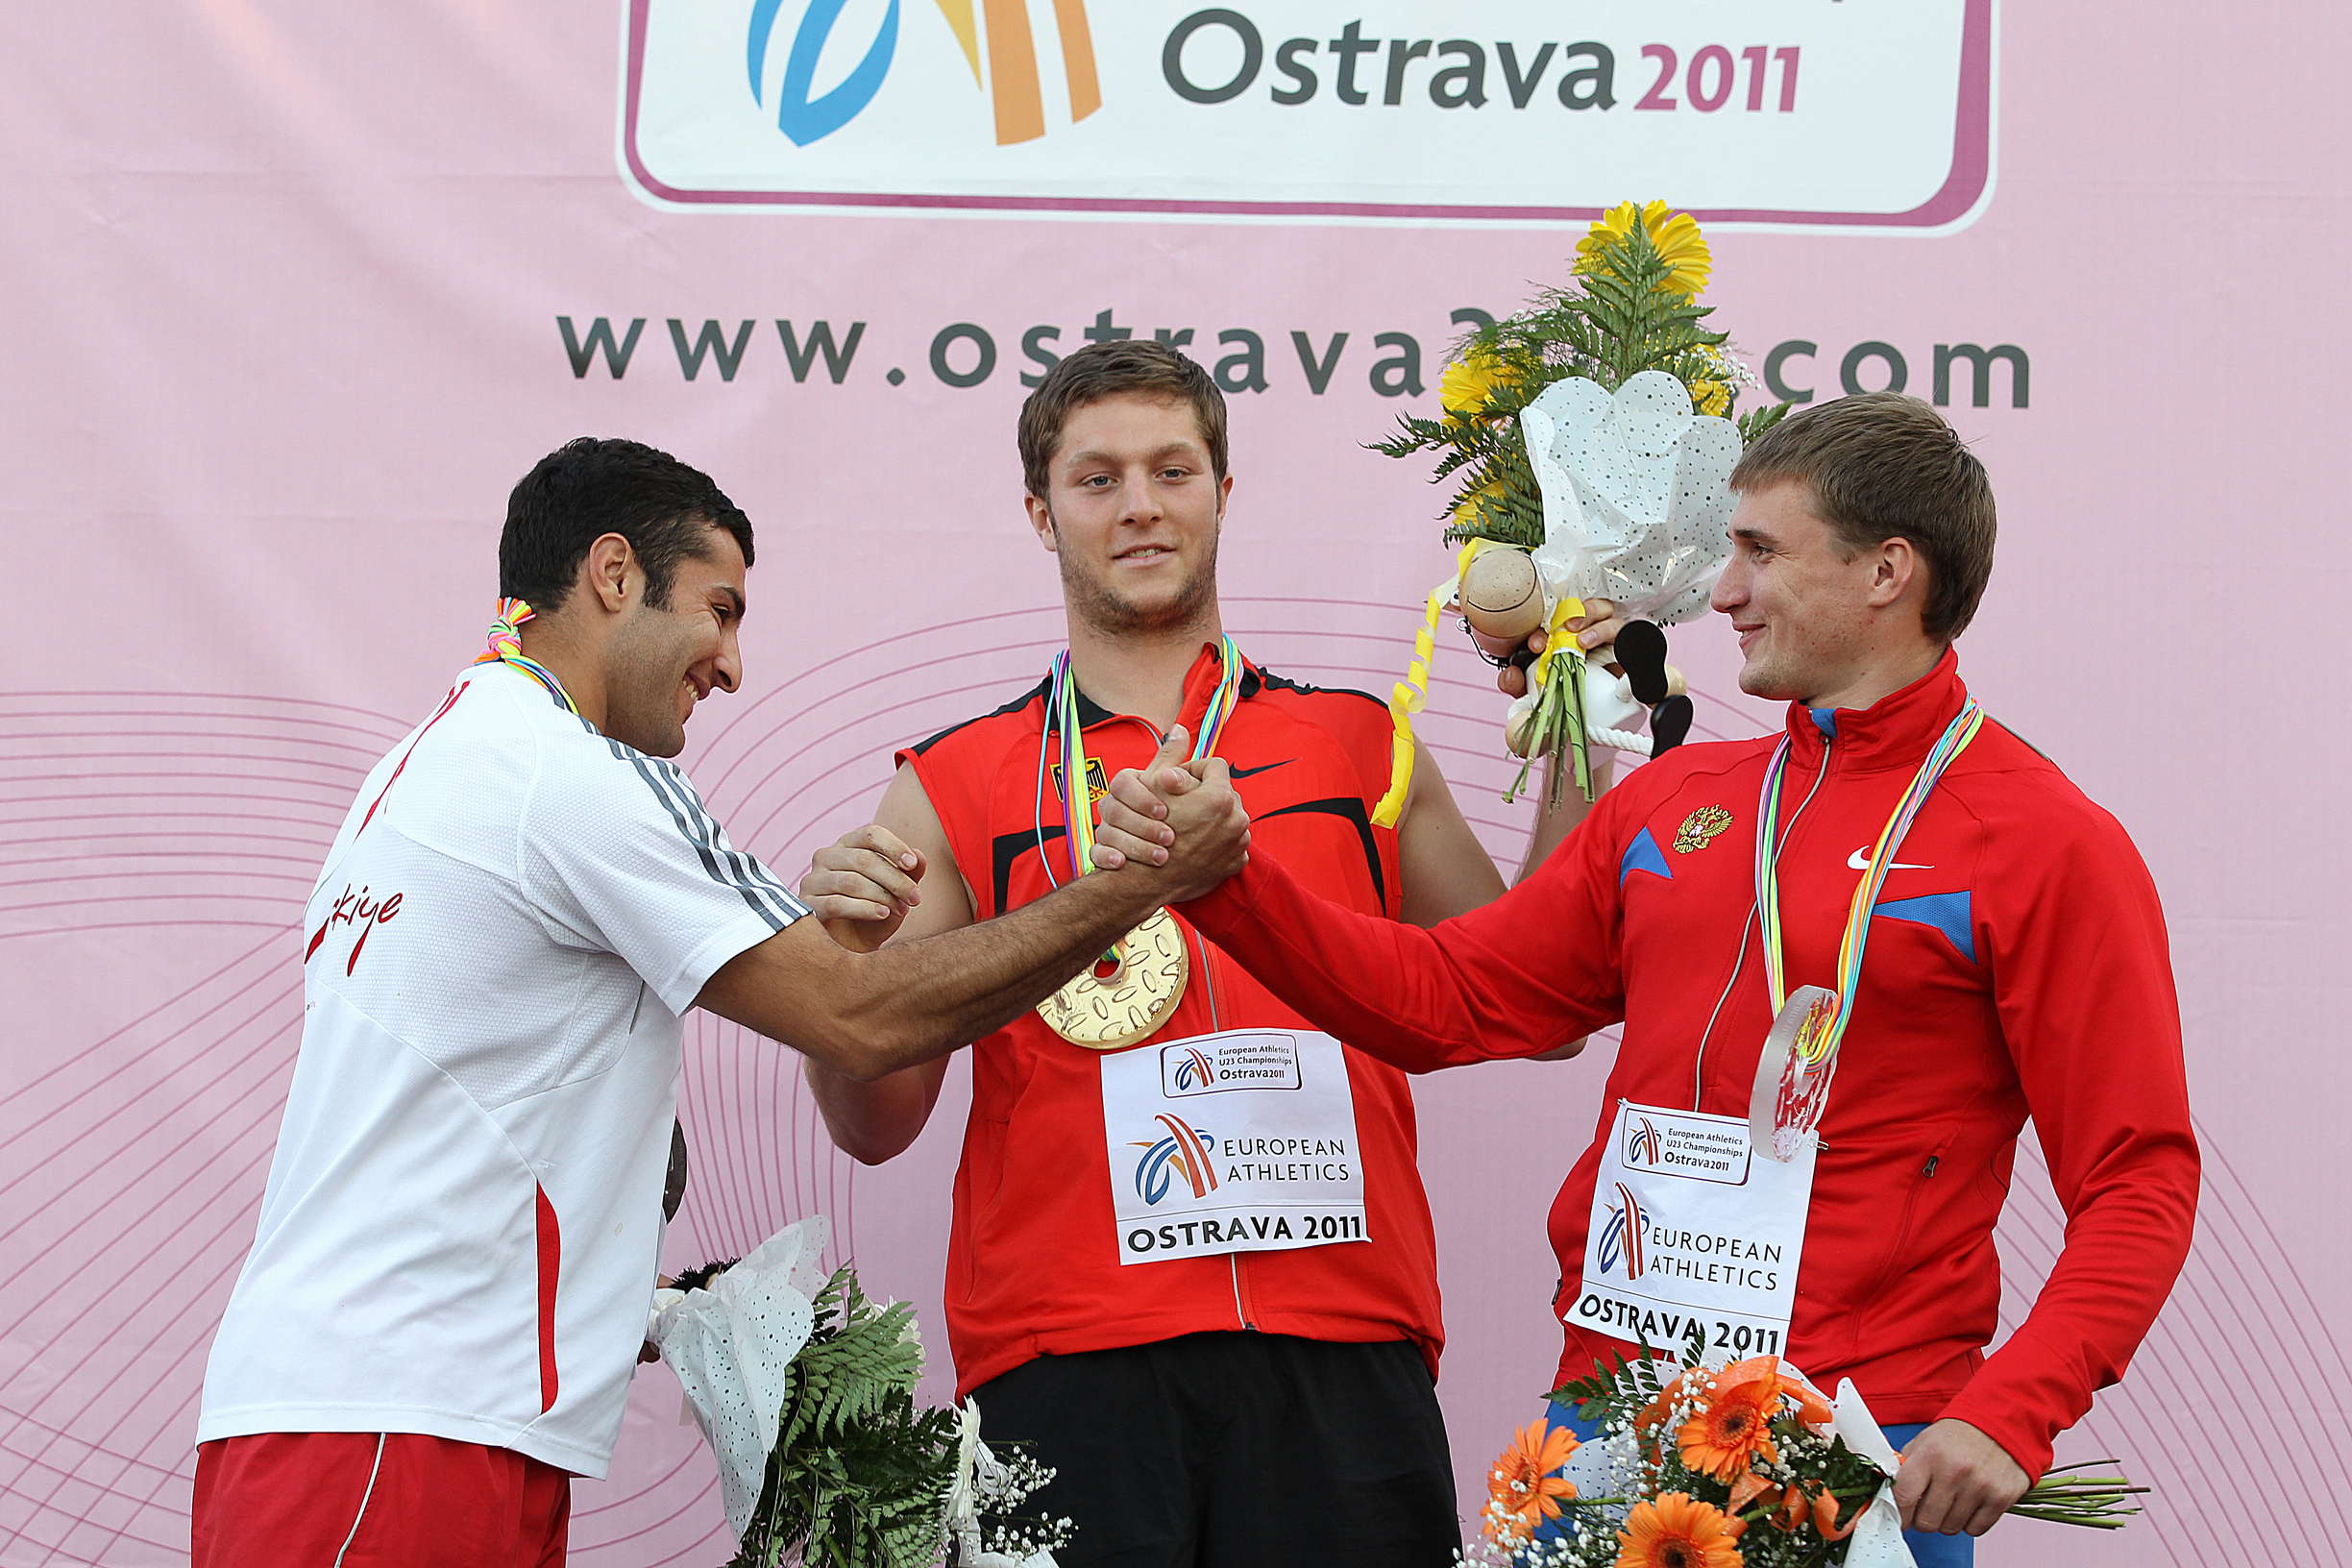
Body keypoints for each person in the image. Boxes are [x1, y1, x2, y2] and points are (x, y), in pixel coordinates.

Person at [1102, 393, 2199, 1564]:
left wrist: (2013, 1408)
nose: (1724, 593)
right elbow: (1447, 998)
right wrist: (1229, 886)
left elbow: (2137, 1178)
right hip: (1608, 1425)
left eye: (1761, 551)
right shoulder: (1675, 802)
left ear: (1888, 572)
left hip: (1850, 1439)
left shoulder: (2043, 843)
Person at [190, 436, 1246, 1568]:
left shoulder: (442, 757)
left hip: (391, 1411)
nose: (732, 666)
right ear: (613, 574)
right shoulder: (565, 773)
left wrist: (628, 1295)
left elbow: (467, 1109)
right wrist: (1134, 888)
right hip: (400, 1425)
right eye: (719, 609)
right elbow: (857, 1018)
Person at [793, 340, 1627, 1567]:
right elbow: (876, 1123)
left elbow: (1536, 1001)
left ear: (1223, 493)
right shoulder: (951, 779)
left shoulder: (1359, 743)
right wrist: (842, 965)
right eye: (1097, 479)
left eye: (1172, 470)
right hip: (1068, 1354)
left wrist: (1581, 722)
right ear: (1042, 514)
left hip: (1342, 1341)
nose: (1139, 505)